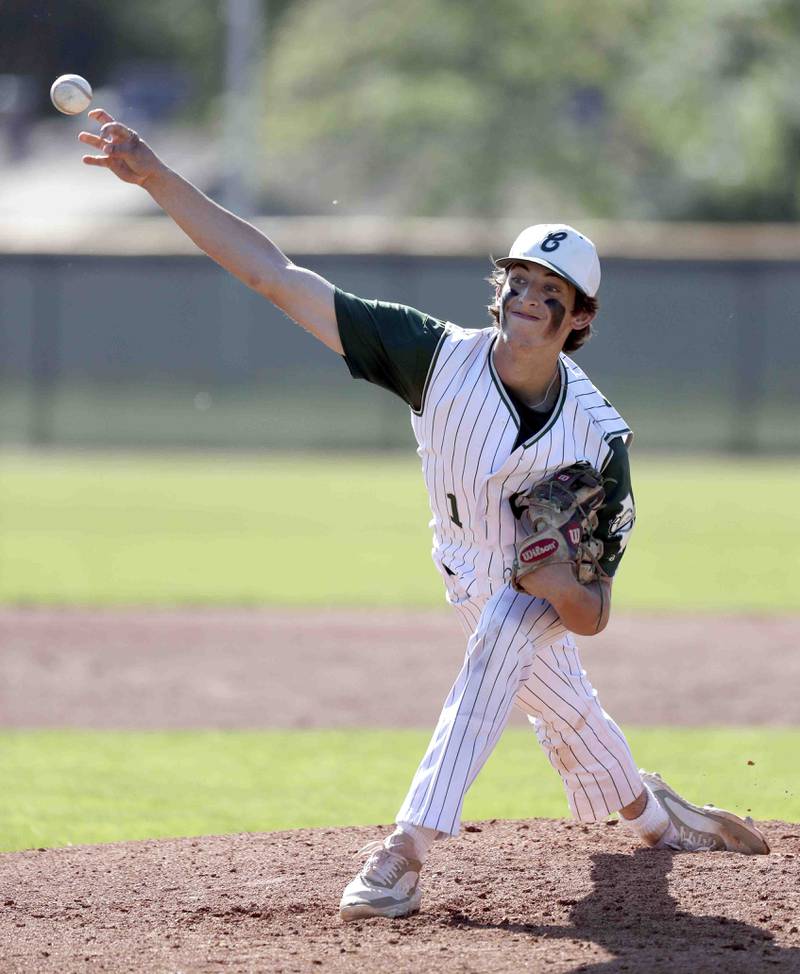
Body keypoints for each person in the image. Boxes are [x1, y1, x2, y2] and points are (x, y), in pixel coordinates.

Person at [80, 110, 770, 922]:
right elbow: (276, 275)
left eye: (551, 293)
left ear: (579, 319)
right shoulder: (432, 354)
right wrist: (155, 176)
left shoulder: (600, 439)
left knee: (503, 650)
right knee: (564, 706)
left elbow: (594, 615)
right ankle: (661, 818)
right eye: (519, 280)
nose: (526, 298)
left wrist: (558, 583)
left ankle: (402, 855)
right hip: (460, 563)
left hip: (524, 590)